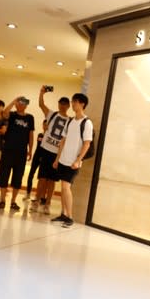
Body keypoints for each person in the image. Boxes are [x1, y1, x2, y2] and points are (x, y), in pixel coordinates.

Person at [52, 93, 94, 227]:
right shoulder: (70, 121)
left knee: (66, 187)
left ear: (82, 104)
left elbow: (87, 144)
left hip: (73, 162)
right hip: (64, 159)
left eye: (75, 101)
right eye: (72, 101)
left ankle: (70, 217)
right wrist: (57, 158)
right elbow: (62, 140)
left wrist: (78, 160)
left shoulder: (87, 123)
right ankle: (63, 213)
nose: (73, 104)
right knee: (63, 187)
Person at [32, 90, 71, 215]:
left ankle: (47, 204)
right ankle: (37, 201)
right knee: (42, 178)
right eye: (61, 103)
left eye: (65, 104)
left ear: (68, 106)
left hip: (58, 153)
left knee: (52, 181)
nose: (62, 105)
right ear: (58, 104)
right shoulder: (52, 114)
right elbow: (41, 105)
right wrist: (42, 93)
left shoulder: (70, 121)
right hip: (46, 150)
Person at [0, 97, 35, 211]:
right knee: (4, 174)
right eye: (19, 102)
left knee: (18, 176)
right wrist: (14, 100)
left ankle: (13, 201)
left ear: (26, 105)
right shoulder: (12, 115)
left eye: (23, 103)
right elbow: (4, 113)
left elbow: (31, 135)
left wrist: (30, 150)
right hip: (8, 150)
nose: (20, 105)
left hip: (21, 152)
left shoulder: (30, 118)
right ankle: (2, 200)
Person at [26, 120, 47, 199]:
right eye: (44, 125)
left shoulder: (49, 137)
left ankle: (41, 196)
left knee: (41, 177)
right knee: (31, 174)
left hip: (44, 158)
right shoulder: (40, 135)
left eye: (46, 125)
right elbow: (39, 145)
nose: (45, 126)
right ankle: (28, 193)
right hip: (36, 157)